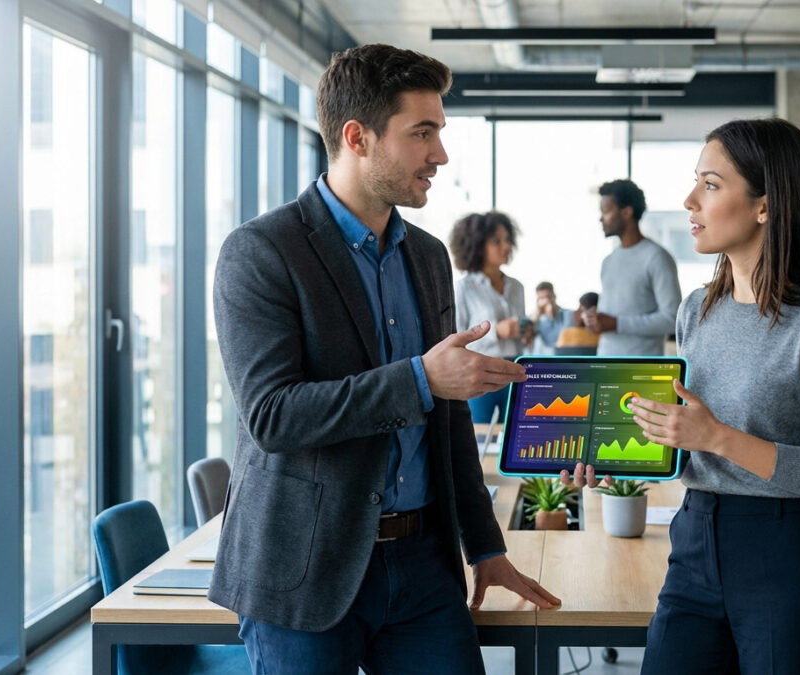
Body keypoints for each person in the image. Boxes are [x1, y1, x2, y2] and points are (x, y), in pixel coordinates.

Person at [209, 44, 559, 675]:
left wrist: (485, 546)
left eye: (440, 132)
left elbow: (448, 418)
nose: (440, 155)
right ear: (357, 137)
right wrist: (421, 377)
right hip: (305, 572)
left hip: (424, 566)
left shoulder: (426, 258)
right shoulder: (261, 251)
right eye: (421, 133)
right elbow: (273, 415)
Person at [565, 118, 800, 674]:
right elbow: (686, 441)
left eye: (710, 184)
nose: (689, 200)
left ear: (765, 206)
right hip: (693, 542)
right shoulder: (696, 309)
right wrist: (616, 461)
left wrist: (717, 437)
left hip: (787, 555)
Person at [450, 210, 532, 420]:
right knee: (477, 439)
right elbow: (456, 342)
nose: (506, 246)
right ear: (478, 245)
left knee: (516, 439)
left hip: (515, 372)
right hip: (479, 373)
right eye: (497, 241)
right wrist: (497, 332)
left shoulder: (517, 287)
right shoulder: (464, 288)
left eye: (507, 240)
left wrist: (527, 333)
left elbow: (522, 335)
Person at [588, 179, 681, 356]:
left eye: (606, 211)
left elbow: (672, 319)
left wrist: (617, 323)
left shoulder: (657, 257)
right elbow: (613, 314)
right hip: (605, 363)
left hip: (640, 371)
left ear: (626, 212)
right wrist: (591, 318)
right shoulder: (609, 260)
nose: (601, 218)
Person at [531, 281, 573, 354]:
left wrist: (551, 316)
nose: (545, 301)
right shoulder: (535, 318)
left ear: (554, 296)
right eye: (541, 298)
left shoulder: (567, 314)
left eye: (548, 297)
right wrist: (538, 315)